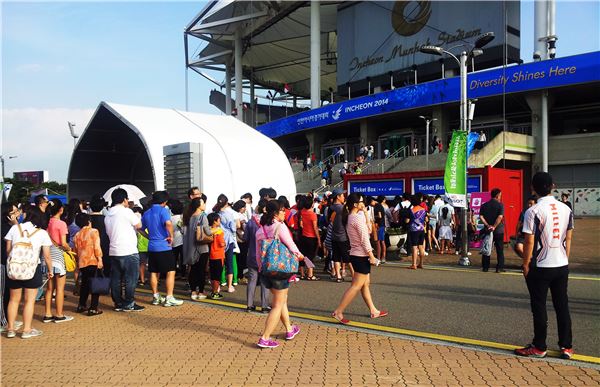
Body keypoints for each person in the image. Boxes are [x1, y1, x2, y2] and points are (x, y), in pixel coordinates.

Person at [515, 172, 574, 360]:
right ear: (553, 186)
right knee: (562, 305)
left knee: (539, 306)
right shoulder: (566, 209)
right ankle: (566, 346)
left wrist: (525, 264)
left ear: (533, 188)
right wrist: (565, 258)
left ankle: (539, 346)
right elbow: (569, 237)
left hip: (540, 265)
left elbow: (529, 241)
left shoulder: (532, 211)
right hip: (561, 263)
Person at [332, 193, 387, 325]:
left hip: (356, 254)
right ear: (355, 204)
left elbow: (367, 230)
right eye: (361, 201)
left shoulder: (351, 217)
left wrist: (366, 214)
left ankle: (373, 310)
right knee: (356, 286)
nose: (364, 203)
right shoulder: (356, 219)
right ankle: (338, 311)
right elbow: (365, 239)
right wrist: (372, 256)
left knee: (364, 284)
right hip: (361, 255)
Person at [255, 200, 304, 348]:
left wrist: (260, 268)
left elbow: (258, 254)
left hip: (266, 270)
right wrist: (300, 256)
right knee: (277, 304)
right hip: (281, 270)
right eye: (282, 211)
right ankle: (265, 337)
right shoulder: (279, 226)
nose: (285, 213)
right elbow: (291, 244)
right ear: (275, 213)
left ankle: (289, 329)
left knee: (281, 300)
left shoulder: (260, 230)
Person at [5, 207, 53, 338]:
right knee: (29, 301)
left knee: (13, 300)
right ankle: (26, 330)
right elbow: (47, 256)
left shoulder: (14, 229)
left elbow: (8, 250)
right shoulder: (42, 233)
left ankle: (10, 329)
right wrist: (50, 271)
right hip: (32, 268)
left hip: (14, 269)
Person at [104, 188, 145, 312]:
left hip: (114, 250)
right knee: (130, 278)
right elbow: (139, 225)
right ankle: (129, 303)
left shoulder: (107, 215)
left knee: (116, 279)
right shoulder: (126, 212)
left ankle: (118, 302)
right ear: (124, 199)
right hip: (128, 250)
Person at [142, 191, 183, 307]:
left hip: (152, 246)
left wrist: (148, 236)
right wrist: (170, 236)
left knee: (154, 272)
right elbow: (168, 223)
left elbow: (140, 228)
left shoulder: (147, 212)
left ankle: (155, 296)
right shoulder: (163, 211)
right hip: (164, 246)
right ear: (164, 202)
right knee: (171, 271)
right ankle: (169, 297)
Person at [44, 199, 73, 323]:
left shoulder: (46, 222)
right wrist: (69, 249)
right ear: (61, 210)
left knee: (49, 288)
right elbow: (64, 243)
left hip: (47, 256)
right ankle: (59, 314)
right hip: (58, 257)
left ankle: (47, 314)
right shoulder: (61, 224)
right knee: (60, 289)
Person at [72, 213, 104, 316]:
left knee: (85, 284)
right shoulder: (93, 231)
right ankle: (93, 307)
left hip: (82, 262)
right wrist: (100, 259)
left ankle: (81, 305)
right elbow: (97, 247)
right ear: (88, 221)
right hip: (93, 261)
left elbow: (75, 251)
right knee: (96, 284)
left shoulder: (77, 235)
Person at [182, 195, 211, 300]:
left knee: (193, 269)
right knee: (202, 270)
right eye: (203, 203)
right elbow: (207, 231)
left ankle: (193, 292)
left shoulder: (188, 217)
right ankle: (201, 292)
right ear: (199, 206)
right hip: (201, 247)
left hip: (190, 247)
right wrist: (215, 230)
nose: (204, 205)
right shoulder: (203, 216)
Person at [244, 200, 270, 312]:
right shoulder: (269, 223)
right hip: (265, 256)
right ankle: (264, 305)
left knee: (252, 280)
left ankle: (249, 304)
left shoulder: (251, 222)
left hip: (252, 255)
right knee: (264, 281)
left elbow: (245, 238)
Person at [1, 203, 21, 332]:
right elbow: (21, 238)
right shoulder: (5, 228)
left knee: (8, 292)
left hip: (8, 264)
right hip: (2, 263)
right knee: (3, 293)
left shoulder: (11, 227)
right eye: (14, 212)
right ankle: (3, 322)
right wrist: (15, 224)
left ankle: (9, 320)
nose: (17, 213)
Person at [479, 188, 505, 272]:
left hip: (487, 230)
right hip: (498, 231)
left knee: (487, 246)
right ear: (497, 196)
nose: (500, 197)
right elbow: (500, 217)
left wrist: (487, 225)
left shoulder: (484, 205)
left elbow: (481, 216)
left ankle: (485, 267)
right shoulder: (500, 205)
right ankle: (499, 267)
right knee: (499, 249)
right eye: (500, 195)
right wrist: (494, 226)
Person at [330, 189, 352, 282]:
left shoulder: (330, 207)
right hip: (343, 236)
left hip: (333, 236)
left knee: (336, 257)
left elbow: (329, 221)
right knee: (347, 257)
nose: (344, 197)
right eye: (342, 195)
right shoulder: (342, 208)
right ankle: (354, 275)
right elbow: (348, 221)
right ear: (338, 197)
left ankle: (338, 276)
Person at [298, 196, 320, 280]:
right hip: (311, 237)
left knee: (303, 255)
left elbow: (301, 224)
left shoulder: (302, 212)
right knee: (310, 256)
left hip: (303, 236)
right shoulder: (313, 215)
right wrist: (318, 238)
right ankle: (310, 274)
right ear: (311, 204)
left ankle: (302, 273)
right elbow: (315, 228)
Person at [89, 196, 110, 277]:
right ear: (102, 207)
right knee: (106, 273)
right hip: (105, 248)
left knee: (89, 275)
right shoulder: (107, 219)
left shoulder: (86, 219)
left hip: (88, 250)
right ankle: (104, 288)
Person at [207, 213, 225, 300]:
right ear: (215, 221)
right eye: (219, 220)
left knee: (212, 275)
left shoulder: (209, 230)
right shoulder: (219, 231)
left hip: (211, 255)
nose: (220, 221)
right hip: (219, 255)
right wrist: (224, 243)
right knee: (217, 276)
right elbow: (221, 243)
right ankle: (215, 292)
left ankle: (213, 291)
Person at [408, 195, 427, 270]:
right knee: (421, 246)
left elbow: (408, 220)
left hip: (414, 230)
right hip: (421, 229)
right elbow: (426, 219)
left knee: (414, 247)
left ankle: (414, 264)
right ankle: (421, 263)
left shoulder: (411, 210)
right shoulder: (423, 209)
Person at [168, 199, 185, 280]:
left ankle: (173, 273)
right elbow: (183, 229)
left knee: (173, 259)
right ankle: (183, 274)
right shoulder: (182, 217)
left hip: (172, 240)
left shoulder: (170, 218)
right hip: (182, 240)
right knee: (183, 258)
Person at [374, 196, 387, 264]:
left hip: (379, 225)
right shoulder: (381, 206)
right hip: (382, 224)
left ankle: (379, 257)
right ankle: (383, 257)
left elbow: (379, 216)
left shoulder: (377, 206)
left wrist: (373, 217)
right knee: (382, 241)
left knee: (378, 241)